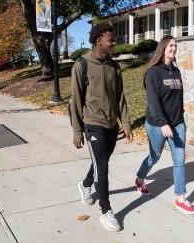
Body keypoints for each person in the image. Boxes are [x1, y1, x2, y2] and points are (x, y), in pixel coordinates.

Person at [71, 23, 133, 232]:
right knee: (103, 167)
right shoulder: (82, 65)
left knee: (101, 161)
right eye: (111, 40)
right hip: (92, 123)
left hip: (111, 125)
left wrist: (125, 123)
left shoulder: (114, 67)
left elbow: (121, 98)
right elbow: (76, 100)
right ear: (99, 41)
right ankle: (106, 210)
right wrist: (77, 130)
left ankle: (86, 184)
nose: (114, 43)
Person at [134, 35, 194, 215]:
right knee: (155, 156)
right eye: (170, 45)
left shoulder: (176, 72)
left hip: (177, 123)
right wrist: (163, 123)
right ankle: (140, 179)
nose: (173, 49)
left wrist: (180, 121)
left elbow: (177, 100)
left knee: (179, 159)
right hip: (157, 124)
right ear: (162, 48)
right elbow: (154, 102)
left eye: (175, 46)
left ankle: (180, 198)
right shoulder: (153, 72)